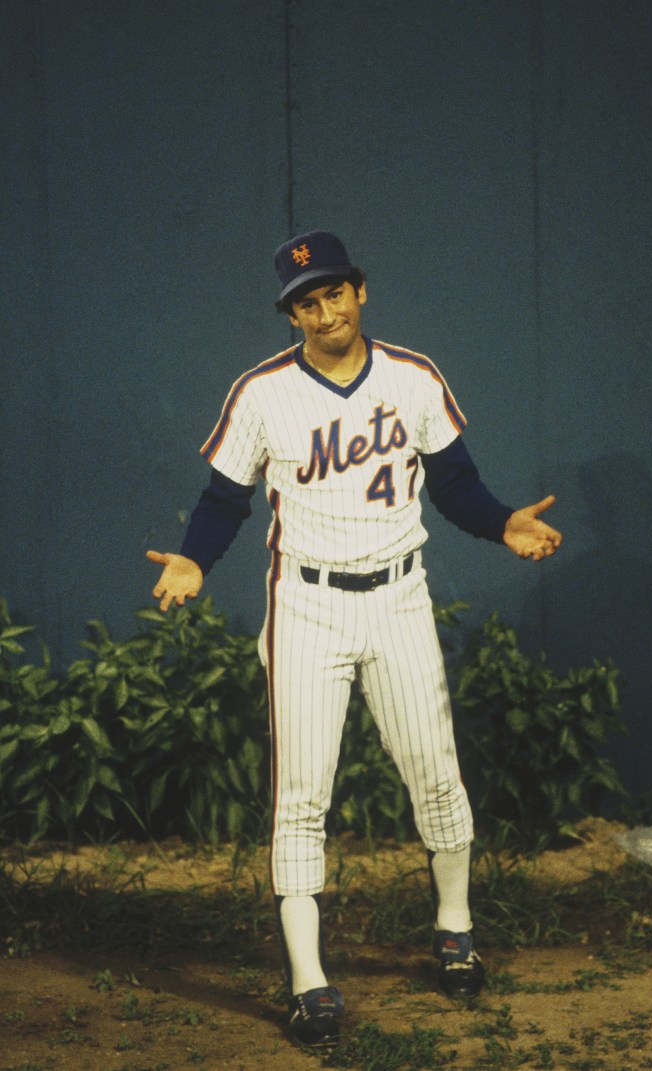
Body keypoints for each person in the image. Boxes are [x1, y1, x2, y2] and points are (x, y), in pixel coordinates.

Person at [147, 230, 562, 1048]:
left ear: (360, 291)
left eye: (335, 291)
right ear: (291, 312)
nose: (324, 308)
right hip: (305, 607)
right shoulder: (262, 393)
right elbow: (224, 498)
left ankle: (454, 929)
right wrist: (194, 559)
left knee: (435, 775)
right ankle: (309, 981)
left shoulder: (413, 377)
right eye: (307, 299)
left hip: (399, 597)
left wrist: (502, 521)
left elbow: (456, 485)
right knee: (302, 797)